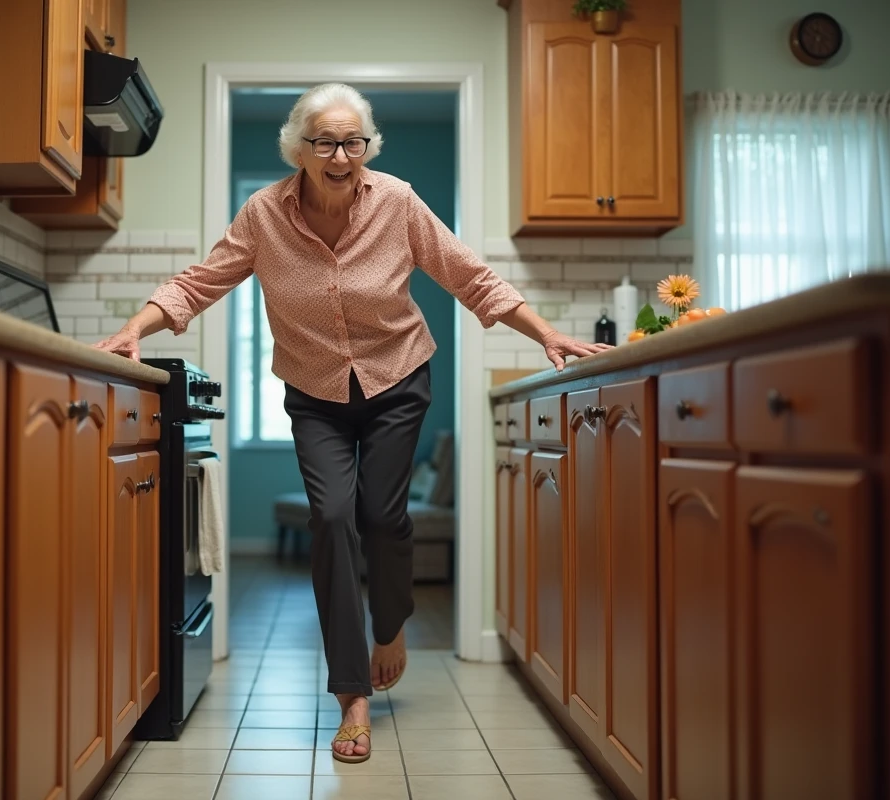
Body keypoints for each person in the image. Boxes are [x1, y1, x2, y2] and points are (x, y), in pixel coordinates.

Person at [93, 82, 611, 763]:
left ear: (367, 146)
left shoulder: (396, 202)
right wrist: (136, 327)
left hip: (398, 377)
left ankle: (389, 625)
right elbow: (198, 282)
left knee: (383, 515)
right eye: (326, 142)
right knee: (332, 517)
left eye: (353, 142)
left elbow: (470, 276)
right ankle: (352, 695)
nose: (341, 156)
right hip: (314, 391)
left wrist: (546, 333)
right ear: (299, 148)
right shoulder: (264, 215)